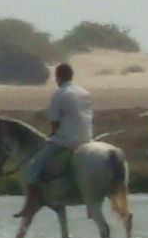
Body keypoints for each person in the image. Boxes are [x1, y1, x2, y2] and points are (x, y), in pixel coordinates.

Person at [16, 62, 93, 215]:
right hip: (87, 139)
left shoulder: (60, 94)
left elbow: (54, 123)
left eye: (56, 77)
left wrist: (54, 133)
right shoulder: (85, 93)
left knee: (34, 165)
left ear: (59, 77)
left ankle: (30, 203)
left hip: (66, 141)